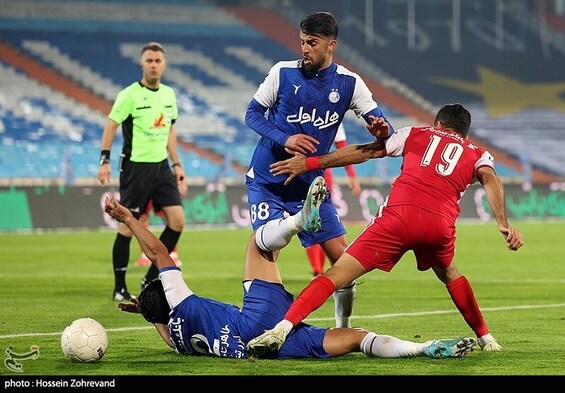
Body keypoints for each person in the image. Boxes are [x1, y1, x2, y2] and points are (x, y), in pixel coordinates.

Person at [247, 103, 524, 358]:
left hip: (398, 218)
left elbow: (363, 152)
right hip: (439, 226)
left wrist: (310, 163)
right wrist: (502, 222)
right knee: (451, 274)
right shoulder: (477, 153)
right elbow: (491, 179)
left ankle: (283, 327)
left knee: (335, 275)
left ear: (438, 124)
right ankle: (486, 337)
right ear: (465, 132)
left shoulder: (416, 134)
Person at [103, 193, 477, 360]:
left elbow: (162, 320)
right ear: (168, 298)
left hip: (266, 350)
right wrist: (130, 219)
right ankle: (299, 220)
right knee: (258, 245)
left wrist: (146, 310)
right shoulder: (179, 299)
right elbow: (158, 252)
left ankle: (423, 349)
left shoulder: (174, 341)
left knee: (357, 340)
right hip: (256, 319)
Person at [244, 11, 394, 328]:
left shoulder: (350, 84)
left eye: (312, 43)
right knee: (268, 248)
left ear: (331, 45)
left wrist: (380, 130)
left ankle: (343, 327)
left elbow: (382, 128)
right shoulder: (282, 73)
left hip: (311, 188)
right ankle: (265, 320)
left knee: (345, 262)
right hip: (268, 181)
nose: (305, 49)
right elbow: (252, 114)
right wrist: (284, 137)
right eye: (302, 42)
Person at [97, 42, 186, 302]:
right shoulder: (129, 95)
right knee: (127, 227)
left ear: (164, 64)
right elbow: (111, 126)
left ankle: (150, 276)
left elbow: (169, 130)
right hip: (136, 168)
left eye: (158, 60)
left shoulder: (169, 94)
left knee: (177, 222)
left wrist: (177, 164)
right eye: (149, 61)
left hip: (161, 167)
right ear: (142, 64)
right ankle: (119, 287)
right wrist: (105, 160)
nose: (154, 65)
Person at [306, 124, 361, 278]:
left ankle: (318, 271)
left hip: (321, 173)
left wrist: (352, 175)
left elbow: (342, 147)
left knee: (318, 222)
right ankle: (317, 270)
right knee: (309, 223)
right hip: (303, 171)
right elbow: (341, 145)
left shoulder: (333, 114)